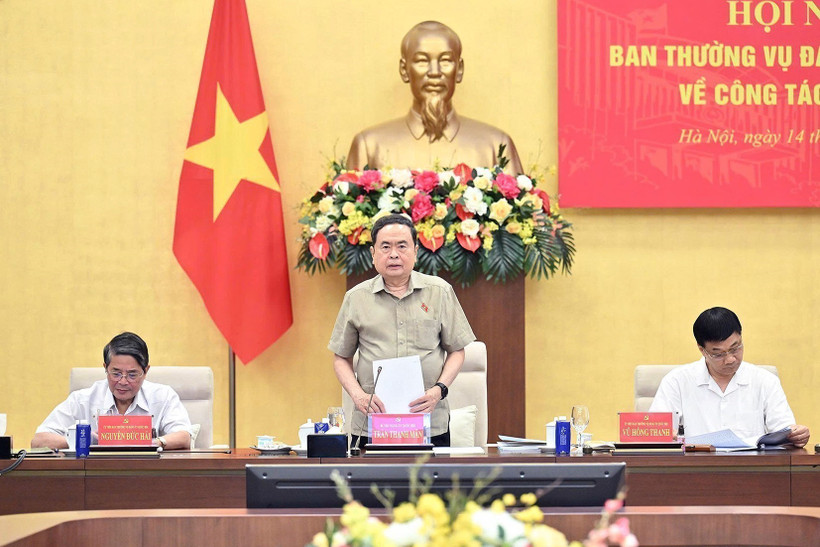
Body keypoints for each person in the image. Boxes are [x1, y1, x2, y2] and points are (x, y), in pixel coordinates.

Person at [328, 213, 476, 447]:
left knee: (428, 485)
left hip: (429, 422)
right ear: (373, 253)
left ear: (416, 251)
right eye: (385, 246)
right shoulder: (356, 298)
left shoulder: (440, 292)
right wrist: (358, 396)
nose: (394, 254)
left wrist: (439, 390)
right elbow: (341, 358)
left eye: (402, 246)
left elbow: (457, 351)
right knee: (372, 485)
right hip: (372, 424)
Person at [347, 20, 523, 174]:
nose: (434, 72)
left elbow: (527, 210)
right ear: (404, 70)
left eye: (445, 60)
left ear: (459, 69)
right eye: (422, 61)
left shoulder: (496, 146)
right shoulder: (369, 146)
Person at [650, 307, 810, 447]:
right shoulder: (677, 382)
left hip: (752, 471)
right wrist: (663, 436)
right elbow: (655, 434)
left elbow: (784, 433)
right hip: (693, 472)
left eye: (736, 348)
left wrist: (796, 437)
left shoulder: (765, 381)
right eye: (718, 354)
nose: (730, 359)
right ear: (702, 350)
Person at [31, 332, 193, 450]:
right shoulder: (83, 399)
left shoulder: (162, 396)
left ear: (145, 371)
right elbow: (38, 441)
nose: (123, 381)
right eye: (116, 373)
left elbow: (184, 436)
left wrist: (150, 442)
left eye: (132, 374)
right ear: (105, 368)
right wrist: (84, 441)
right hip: (95, 478)